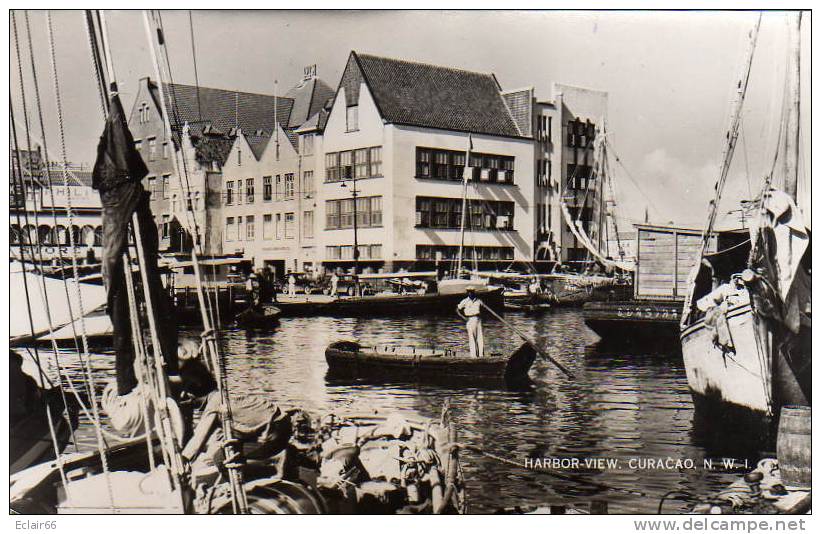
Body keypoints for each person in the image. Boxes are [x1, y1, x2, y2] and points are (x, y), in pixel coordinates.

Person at [456, 286, 485, 358]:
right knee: (472, 338)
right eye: (469, 292)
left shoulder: (479, 301)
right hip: (470, 319)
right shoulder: (464, 301)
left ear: (474, 292)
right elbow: (457, 309)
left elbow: (484, 308)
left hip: (478, 319)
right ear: (467, 293)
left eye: (472, 292)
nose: (470, 293)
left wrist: (482, 315)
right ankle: (473, 356)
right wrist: (463, 318)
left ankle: (481, 355)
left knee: (480, 337)